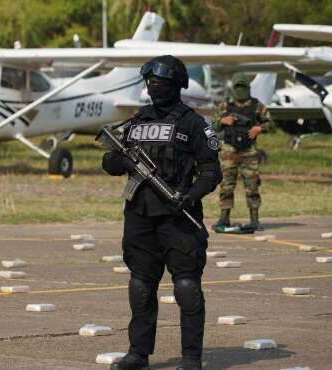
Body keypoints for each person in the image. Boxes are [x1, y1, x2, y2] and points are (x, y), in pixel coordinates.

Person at [102, 55, 222, 370]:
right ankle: (138, 354)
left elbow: (212, 172)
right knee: (140, 285)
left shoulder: (193, 123)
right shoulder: (136, 121)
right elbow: (109, 161)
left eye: (162, 83)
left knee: (186, 287)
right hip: (140, 216)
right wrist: (124, 162)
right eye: (151, 82)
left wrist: (190, 195)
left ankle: (191, 358)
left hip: (178, 217)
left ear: (177, 85)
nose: (156, 87)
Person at [212, 73, 274, 231]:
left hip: (249, 152)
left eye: (243, 87)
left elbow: (271, 123)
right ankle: (224, 219)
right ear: (233, 88)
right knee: (226, 186)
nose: (240, 90)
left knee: (252, 186)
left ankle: (254, 220)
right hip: (228, 152)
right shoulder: (224, 106)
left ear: (248, 87)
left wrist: (260, 127)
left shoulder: (257, 106)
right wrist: (222, 121)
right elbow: (212, 126)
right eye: (237, 87)